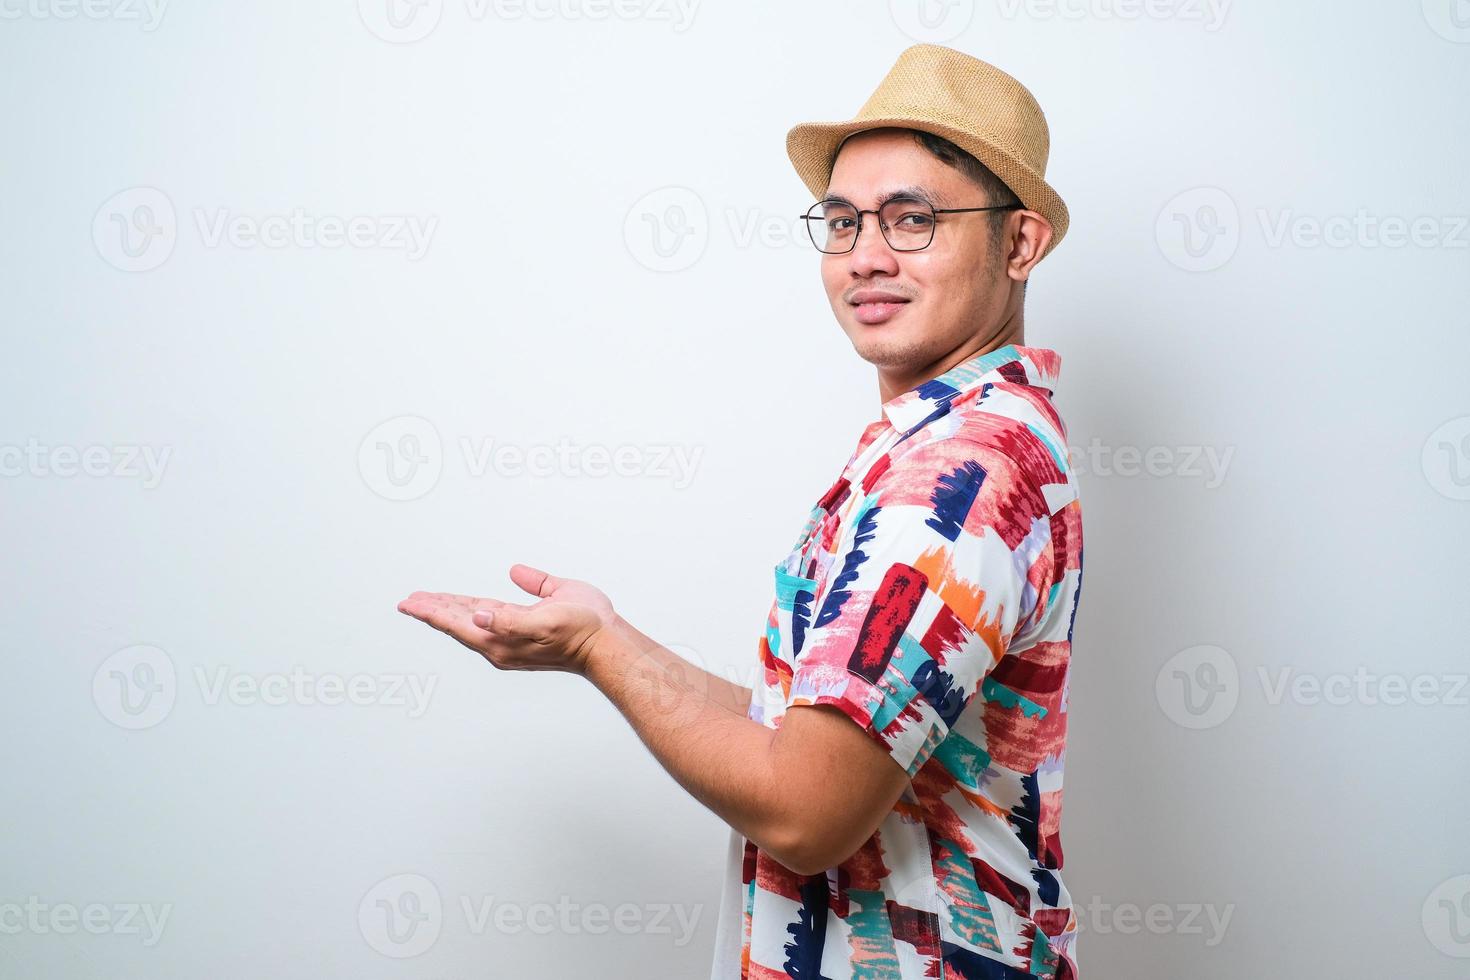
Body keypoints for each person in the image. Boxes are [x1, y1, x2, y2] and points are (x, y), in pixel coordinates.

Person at [397, 42, 1084, 980]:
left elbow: (805, 810)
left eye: (912, 219)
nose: (866, 257)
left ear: (1020, 242)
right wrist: (608, 636)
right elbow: (807, 737)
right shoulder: (960, 438)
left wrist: (601, 653)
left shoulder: (958, 473)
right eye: (841, 223)